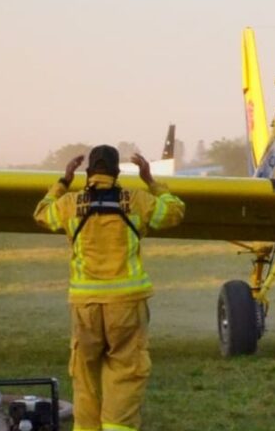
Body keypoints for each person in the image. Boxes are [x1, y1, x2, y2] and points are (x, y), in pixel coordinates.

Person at [34, 145, 185, 431]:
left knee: (85, 375)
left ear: (89, 172)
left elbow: (41, 213)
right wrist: (151, 181)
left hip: (85, 305)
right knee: (126, 371)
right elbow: (175, 211)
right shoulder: (138, 200)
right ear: (117, 173)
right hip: (127, 305)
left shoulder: (68, 204)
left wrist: (63, 182)